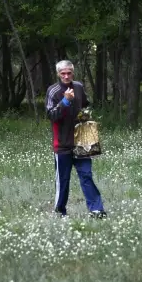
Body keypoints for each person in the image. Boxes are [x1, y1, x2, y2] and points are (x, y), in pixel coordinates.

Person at [46, 60, 107, 218]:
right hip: (62, 145)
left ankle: (96, 210)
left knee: (86, 175)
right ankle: (60, 212)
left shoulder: (79, 87)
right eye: (63, 73)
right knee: (63, 181)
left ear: (73, 73)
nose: (66, 76)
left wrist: (86, 116)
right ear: (58, 74)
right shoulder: (53, 91)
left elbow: (86, 105)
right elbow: (51, 115)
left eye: (69, 73)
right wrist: (65, 101)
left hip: (81, 143)